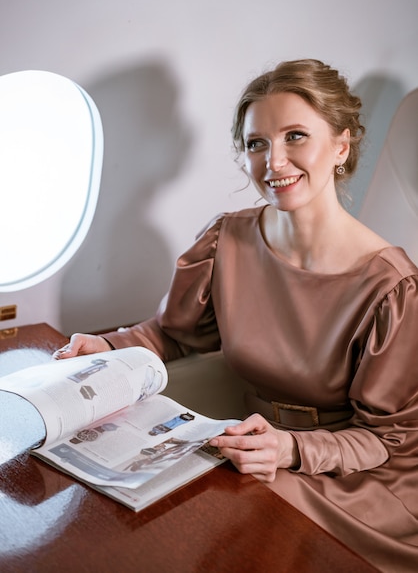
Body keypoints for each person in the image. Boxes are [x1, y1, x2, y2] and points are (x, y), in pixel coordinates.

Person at [54, 59, 418, 572]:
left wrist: (290, 449)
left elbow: (388, 441)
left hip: (357, 480)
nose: (275, 161)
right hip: (255, 444)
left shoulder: (391, 287)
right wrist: (109, 345)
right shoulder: (229, 238)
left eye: (296, 136)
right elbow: (176, 333)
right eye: (256, 143)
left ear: (341, 146)